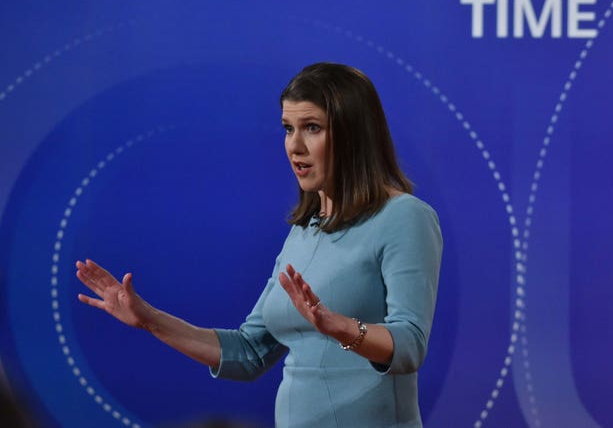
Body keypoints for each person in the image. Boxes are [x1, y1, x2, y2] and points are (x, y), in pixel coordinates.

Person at [76, 62, 443, 428]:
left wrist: (342, 328)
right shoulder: (304, 232)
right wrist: (149, 319)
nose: (294, 146)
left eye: (311, 128)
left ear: (352, 134)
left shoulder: (403, 217)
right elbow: (249, 352)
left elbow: (410, 344)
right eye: (288, 129)